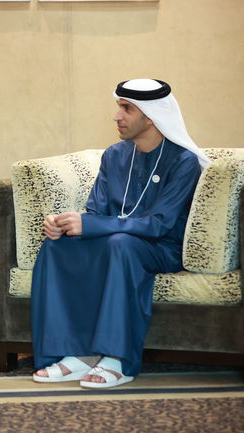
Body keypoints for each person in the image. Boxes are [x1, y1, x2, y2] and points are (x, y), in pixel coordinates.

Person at [30, 79, 209, 389]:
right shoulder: (114, 155)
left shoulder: (183, 161)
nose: (117, 116)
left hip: (161, 248)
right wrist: (63, 224)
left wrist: (93, 226)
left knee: (120, 244)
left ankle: (118, 359)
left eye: (127, 109)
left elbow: (160, 224)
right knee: (57, 246)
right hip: (116, 241)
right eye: (119, 108)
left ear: (151, 116)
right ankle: (77, 355)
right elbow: (96, 212)